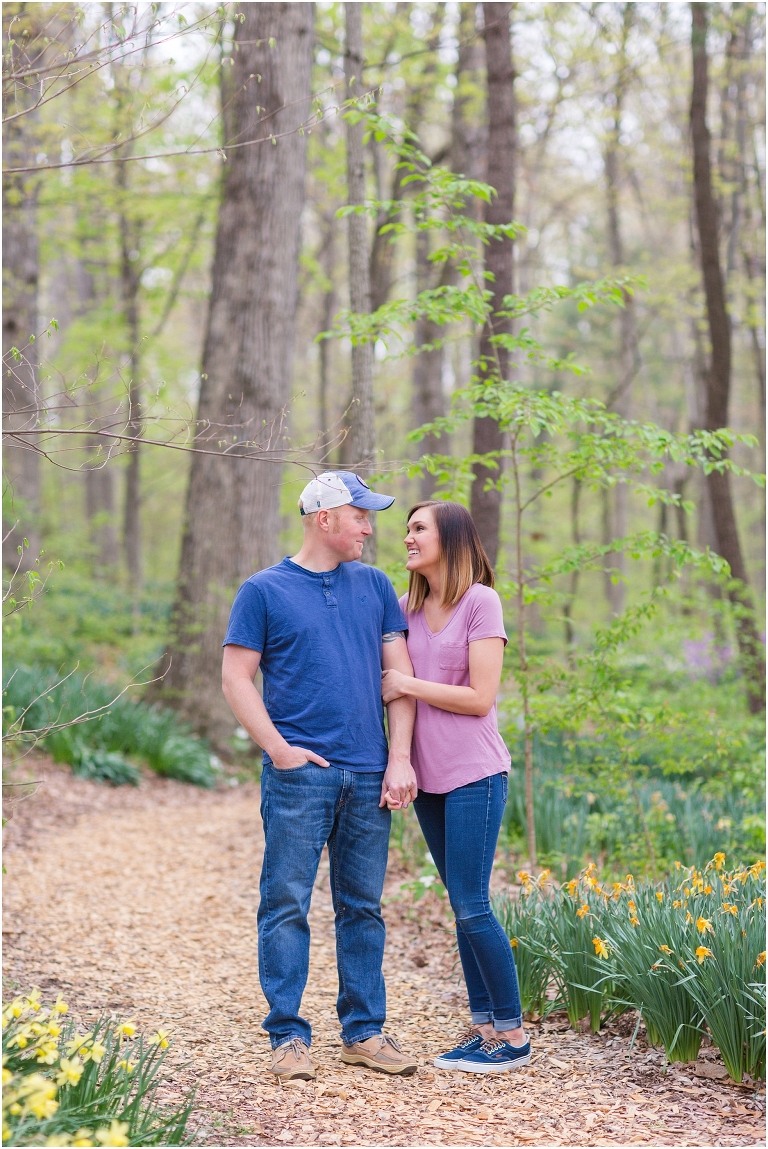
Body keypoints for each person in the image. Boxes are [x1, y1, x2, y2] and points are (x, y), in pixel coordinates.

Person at [222, 472, 419, 1081]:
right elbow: (235, 679)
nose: (369, 527)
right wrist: (280, 749)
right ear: (325, 517)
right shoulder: (263, 591)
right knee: (286, 903)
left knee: (363, 907)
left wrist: (401, 758)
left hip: (368, 775)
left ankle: (364, 1032)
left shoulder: (377, 586)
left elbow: (400, 679)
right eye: (360, 515)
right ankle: (287, 1035)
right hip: (300, 776)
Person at [380, 499, 531, 1074]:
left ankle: (513, 1036)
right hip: (430, 779)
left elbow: (480, 699)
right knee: (459, 904)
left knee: (472, 905)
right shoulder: (406, 609)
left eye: (419, 529)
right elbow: (390, 686)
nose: (408, 538)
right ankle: (483, 1028)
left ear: (451, 537)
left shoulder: (480, 602)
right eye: (407, 530)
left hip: (475, 773)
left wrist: (407, 683)